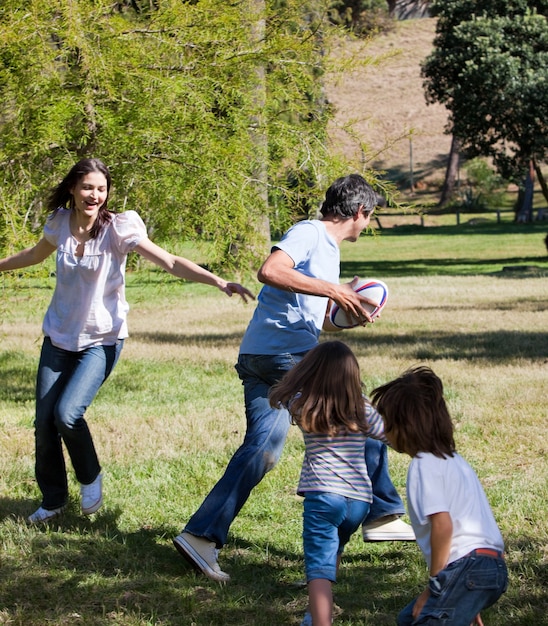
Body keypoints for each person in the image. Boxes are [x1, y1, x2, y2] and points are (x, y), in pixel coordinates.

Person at [173, 173, 414, 583]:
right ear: (360, 212)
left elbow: (310, 316)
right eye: (368, 218)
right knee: (357, 416)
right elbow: (270, 270)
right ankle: (382, 513)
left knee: (263, 450)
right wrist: (335, 290)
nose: (366, 225)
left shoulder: (326, 249)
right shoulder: (309, 233)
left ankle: (200, 537)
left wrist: (347, 316)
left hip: (262, 356)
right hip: (285, 357)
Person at [0, 157, 254, 524]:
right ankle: (53, 500)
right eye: (88, 187)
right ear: (73, 187)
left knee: (67, 414)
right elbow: (35, 254)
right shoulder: (59, 223)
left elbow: (169, 261)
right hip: (58, 337)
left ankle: (91, 477)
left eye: (101, 189)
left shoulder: (118, 228)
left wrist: (216, 280)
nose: (95, 195)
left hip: (101, 340)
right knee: (43, 423)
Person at [370, 366, 508, 626]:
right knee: (408, 619)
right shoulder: (454, 460)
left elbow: (443, 526)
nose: (385, 431)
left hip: (467, 567)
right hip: (492, 568)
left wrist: (437, 586)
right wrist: (464, 601)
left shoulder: (424, 464)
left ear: (405, 426)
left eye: (388, 423)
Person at [270, 340, 391, 626]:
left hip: (324, 496)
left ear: (311, 370)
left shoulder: (302, 404)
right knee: (333, 550)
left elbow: (281, 392)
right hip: (359, 501)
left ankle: (321, 621)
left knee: (318, 568)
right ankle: (315, 614)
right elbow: (392, 437)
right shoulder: (362, 409)